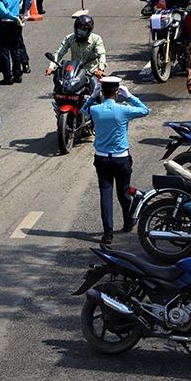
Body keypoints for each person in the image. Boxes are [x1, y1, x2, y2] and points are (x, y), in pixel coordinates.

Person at [83, 76, 150, 246]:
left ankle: (108, 233)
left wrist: (92, 95)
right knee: (124, 192)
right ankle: (128, 221)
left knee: (106, 193)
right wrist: (129, 96)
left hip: (102, 159)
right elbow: (145, 110)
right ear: (117, 91)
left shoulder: (95, 109)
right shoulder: (124, 109)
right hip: (121, 159)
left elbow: (83, 110)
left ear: (102, 92)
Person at [47, 15, 107, 80]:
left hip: (92, 73)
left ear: (89, 30)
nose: (81, 33)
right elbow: (59, 53)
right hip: (75, 72)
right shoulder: (69, 38)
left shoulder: (96, 39)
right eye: (79, 30)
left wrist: (101, 69)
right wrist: (51, 66)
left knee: (98, 88)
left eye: (84, 31)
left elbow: (101, 54)